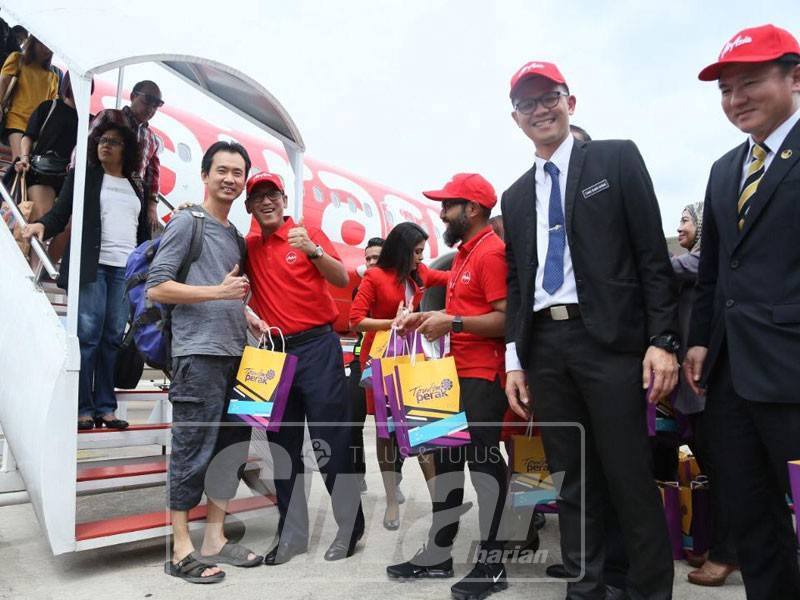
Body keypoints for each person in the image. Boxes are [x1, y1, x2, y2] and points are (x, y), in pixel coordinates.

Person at [502, 61, 678, 600]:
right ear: (516, 119)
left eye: (549, 97)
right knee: (570, 479)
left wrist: (663, 339)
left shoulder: (615, 158)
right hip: (546, 347)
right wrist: (515, 358)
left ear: (570, 101)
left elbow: (652, 255)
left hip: (611, 343)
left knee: (628, 475)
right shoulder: (513, 196)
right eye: (528, 103)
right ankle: (587, 588)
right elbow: (518, 282)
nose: (540, 109)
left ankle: (648, 590)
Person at [684, 24, 800, 600]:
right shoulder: (725, 169)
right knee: (752, 517)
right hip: (731, 379)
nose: (736, 101)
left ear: (795, 77)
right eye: (726, 90)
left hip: (792, 372)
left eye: (750, 83)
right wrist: (701, 339)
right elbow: (713, 273)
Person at [386, 173, 511, 600]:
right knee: (447, 462)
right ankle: (438, 554)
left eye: (448, 204)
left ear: (471, 209)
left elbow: (507, 319)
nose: (441, 212)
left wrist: (452, 321)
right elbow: (459, 314)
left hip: (482, 375)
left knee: (484, 464)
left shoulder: (491, 252)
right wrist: (426, 320)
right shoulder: (464, 254)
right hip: (454, 374)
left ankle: (493, 565)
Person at [146, 141, 261, 583]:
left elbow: (230, 290)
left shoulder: (233, 236)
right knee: (192, 453)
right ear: (206, 175)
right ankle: (179, 549)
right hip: (198, 356)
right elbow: (158, 287)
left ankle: (214, 538)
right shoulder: (186, 223)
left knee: (229, 453)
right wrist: (218, 293)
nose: (230, 179)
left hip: (237, 356)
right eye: (223, 170)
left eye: (238, 172)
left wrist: (246, 311)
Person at [243, 171, 365, 564]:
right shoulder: (250, 247)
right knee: (282, 448)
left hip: (318, 347)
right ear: (250, 207)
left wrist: (314, 250)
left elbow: (342, 277)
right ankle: (292, 534)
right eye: (258, 197)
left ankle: (350, 527)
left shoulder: (306, 234)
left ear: (283, 199)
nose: (266, 202)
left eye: (272, 194)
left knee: (330, 441)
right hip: (275, 352)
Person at [23, 123, 148, 430]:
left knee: (111, 338)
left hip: (125, 269)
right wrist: (42, 226)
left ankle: (106, 407)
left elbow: (143, 230)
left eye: (114, 142)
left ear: (126, 149)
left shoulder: (135, 183)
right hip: (94, 265)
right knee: (88, 338)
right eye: (102, 140)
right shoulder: (84, 176)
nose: (105, 145)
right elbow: (61, 210)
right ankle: (82, 407)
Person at [350, 223, 446, 530]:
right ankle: (392, 500)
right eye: (417, 252)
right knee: (386, 434)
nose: (421, 258)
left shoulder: (422, 275)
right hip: (380, 362)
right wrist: (392, 322)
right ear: (403, 250)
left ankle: (439, 503)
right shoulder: (376, 277)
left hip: (413, 361)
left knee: (424, 430)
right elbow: (356, 320)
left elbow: (453, 278)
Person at [15, 71, 80, 265]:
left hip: (68, 176)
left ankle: (43, 267)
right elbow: (28, 135)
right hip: (41, 171)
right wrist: (24, 157)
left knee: (69, 226)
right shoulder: (49, 106)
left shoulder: (89, 119)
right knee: (43, 217)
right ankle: (36, 267)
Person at [89, 80, 164, 233]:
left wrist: (151, 205)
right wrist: (77, 179)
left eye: (157, 104)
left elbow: (152, 177)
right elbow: (86, 146)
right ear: (132, 96)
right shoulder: (110, 117)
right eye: (148, 100)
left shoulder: (152, 139)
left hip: (130, 195)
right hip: (100, 184)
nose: (151, 108)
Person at [348, 236, 385, 494]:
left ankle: (395, 480)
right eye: (368, 258)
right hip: (361, 363)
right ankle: (356, 475)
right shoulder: (359, 290)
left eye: (377, 258)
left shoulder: (400, 287)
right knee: (351, 423)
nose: (371, 263)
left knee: (389, 429)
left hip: (389, 364)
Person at [0, 36, 58, 161]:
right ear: (33, 43)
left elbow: (51, 105)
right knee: (20, 160)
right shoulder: (17, 59)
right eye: (42, 44)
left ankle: (8, 180)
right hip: (16, 120)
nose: (46, 49)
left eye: (50, 46)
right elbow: (3, 83)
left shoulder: (53, 76)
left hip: (37, 128)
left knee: (26, 164)